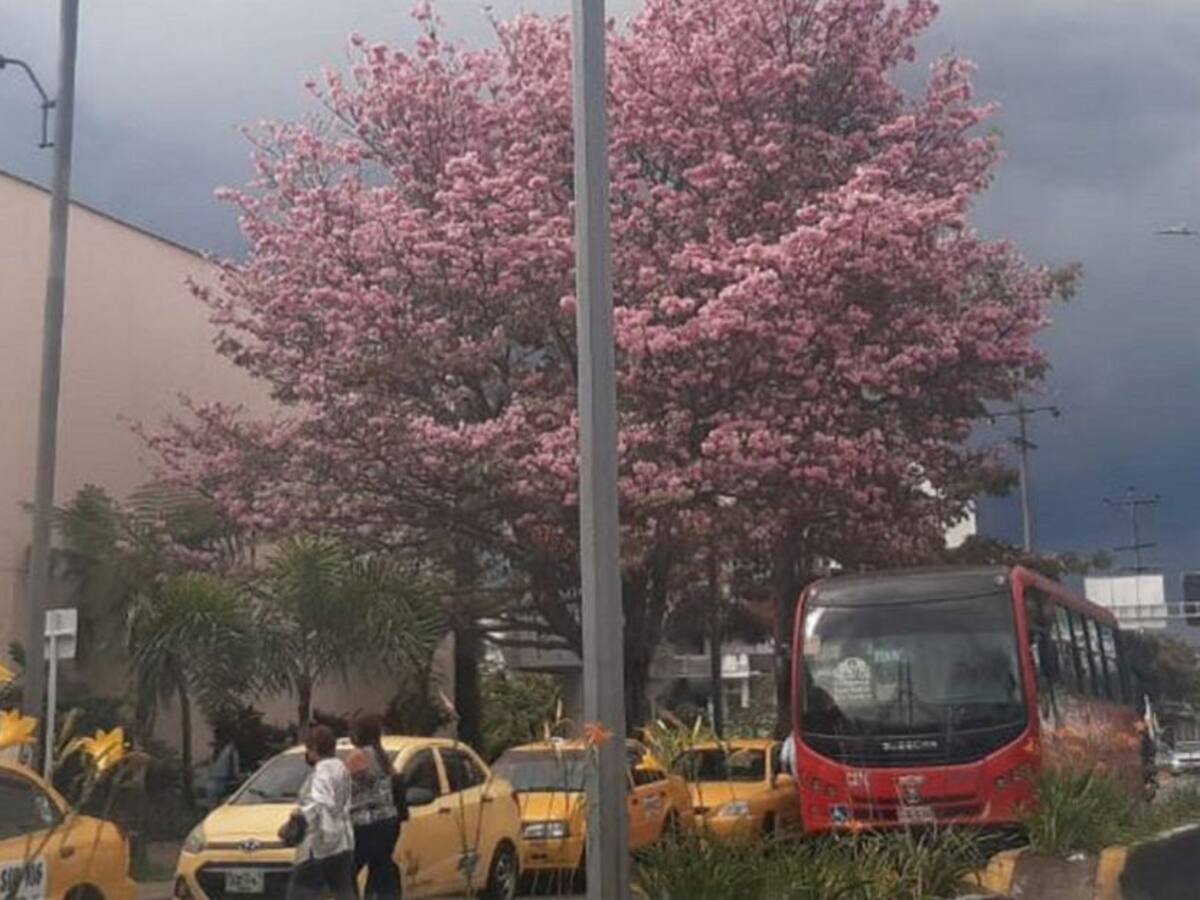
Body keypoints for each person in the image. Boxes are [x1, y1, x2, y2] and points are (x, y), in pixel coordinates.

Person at [286, 725, 357, 900]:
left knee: (298, 894)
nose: (307, 754)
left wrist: (299, 815)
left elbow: (320, 802)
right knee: (343, 890)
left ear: (315, 748)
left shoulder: (322, 770)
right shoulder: (341, 767)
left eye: (308, 749)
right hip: (343, 842)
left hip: (319, 844)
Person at [347, 713, 403, 899]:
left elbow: (339, 783)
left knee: (346, 871)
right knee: (380, 867)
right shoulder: (382, 755)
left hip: (366, 823)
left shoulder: (359, 756)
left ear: (359, 733)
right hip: (388, 821)